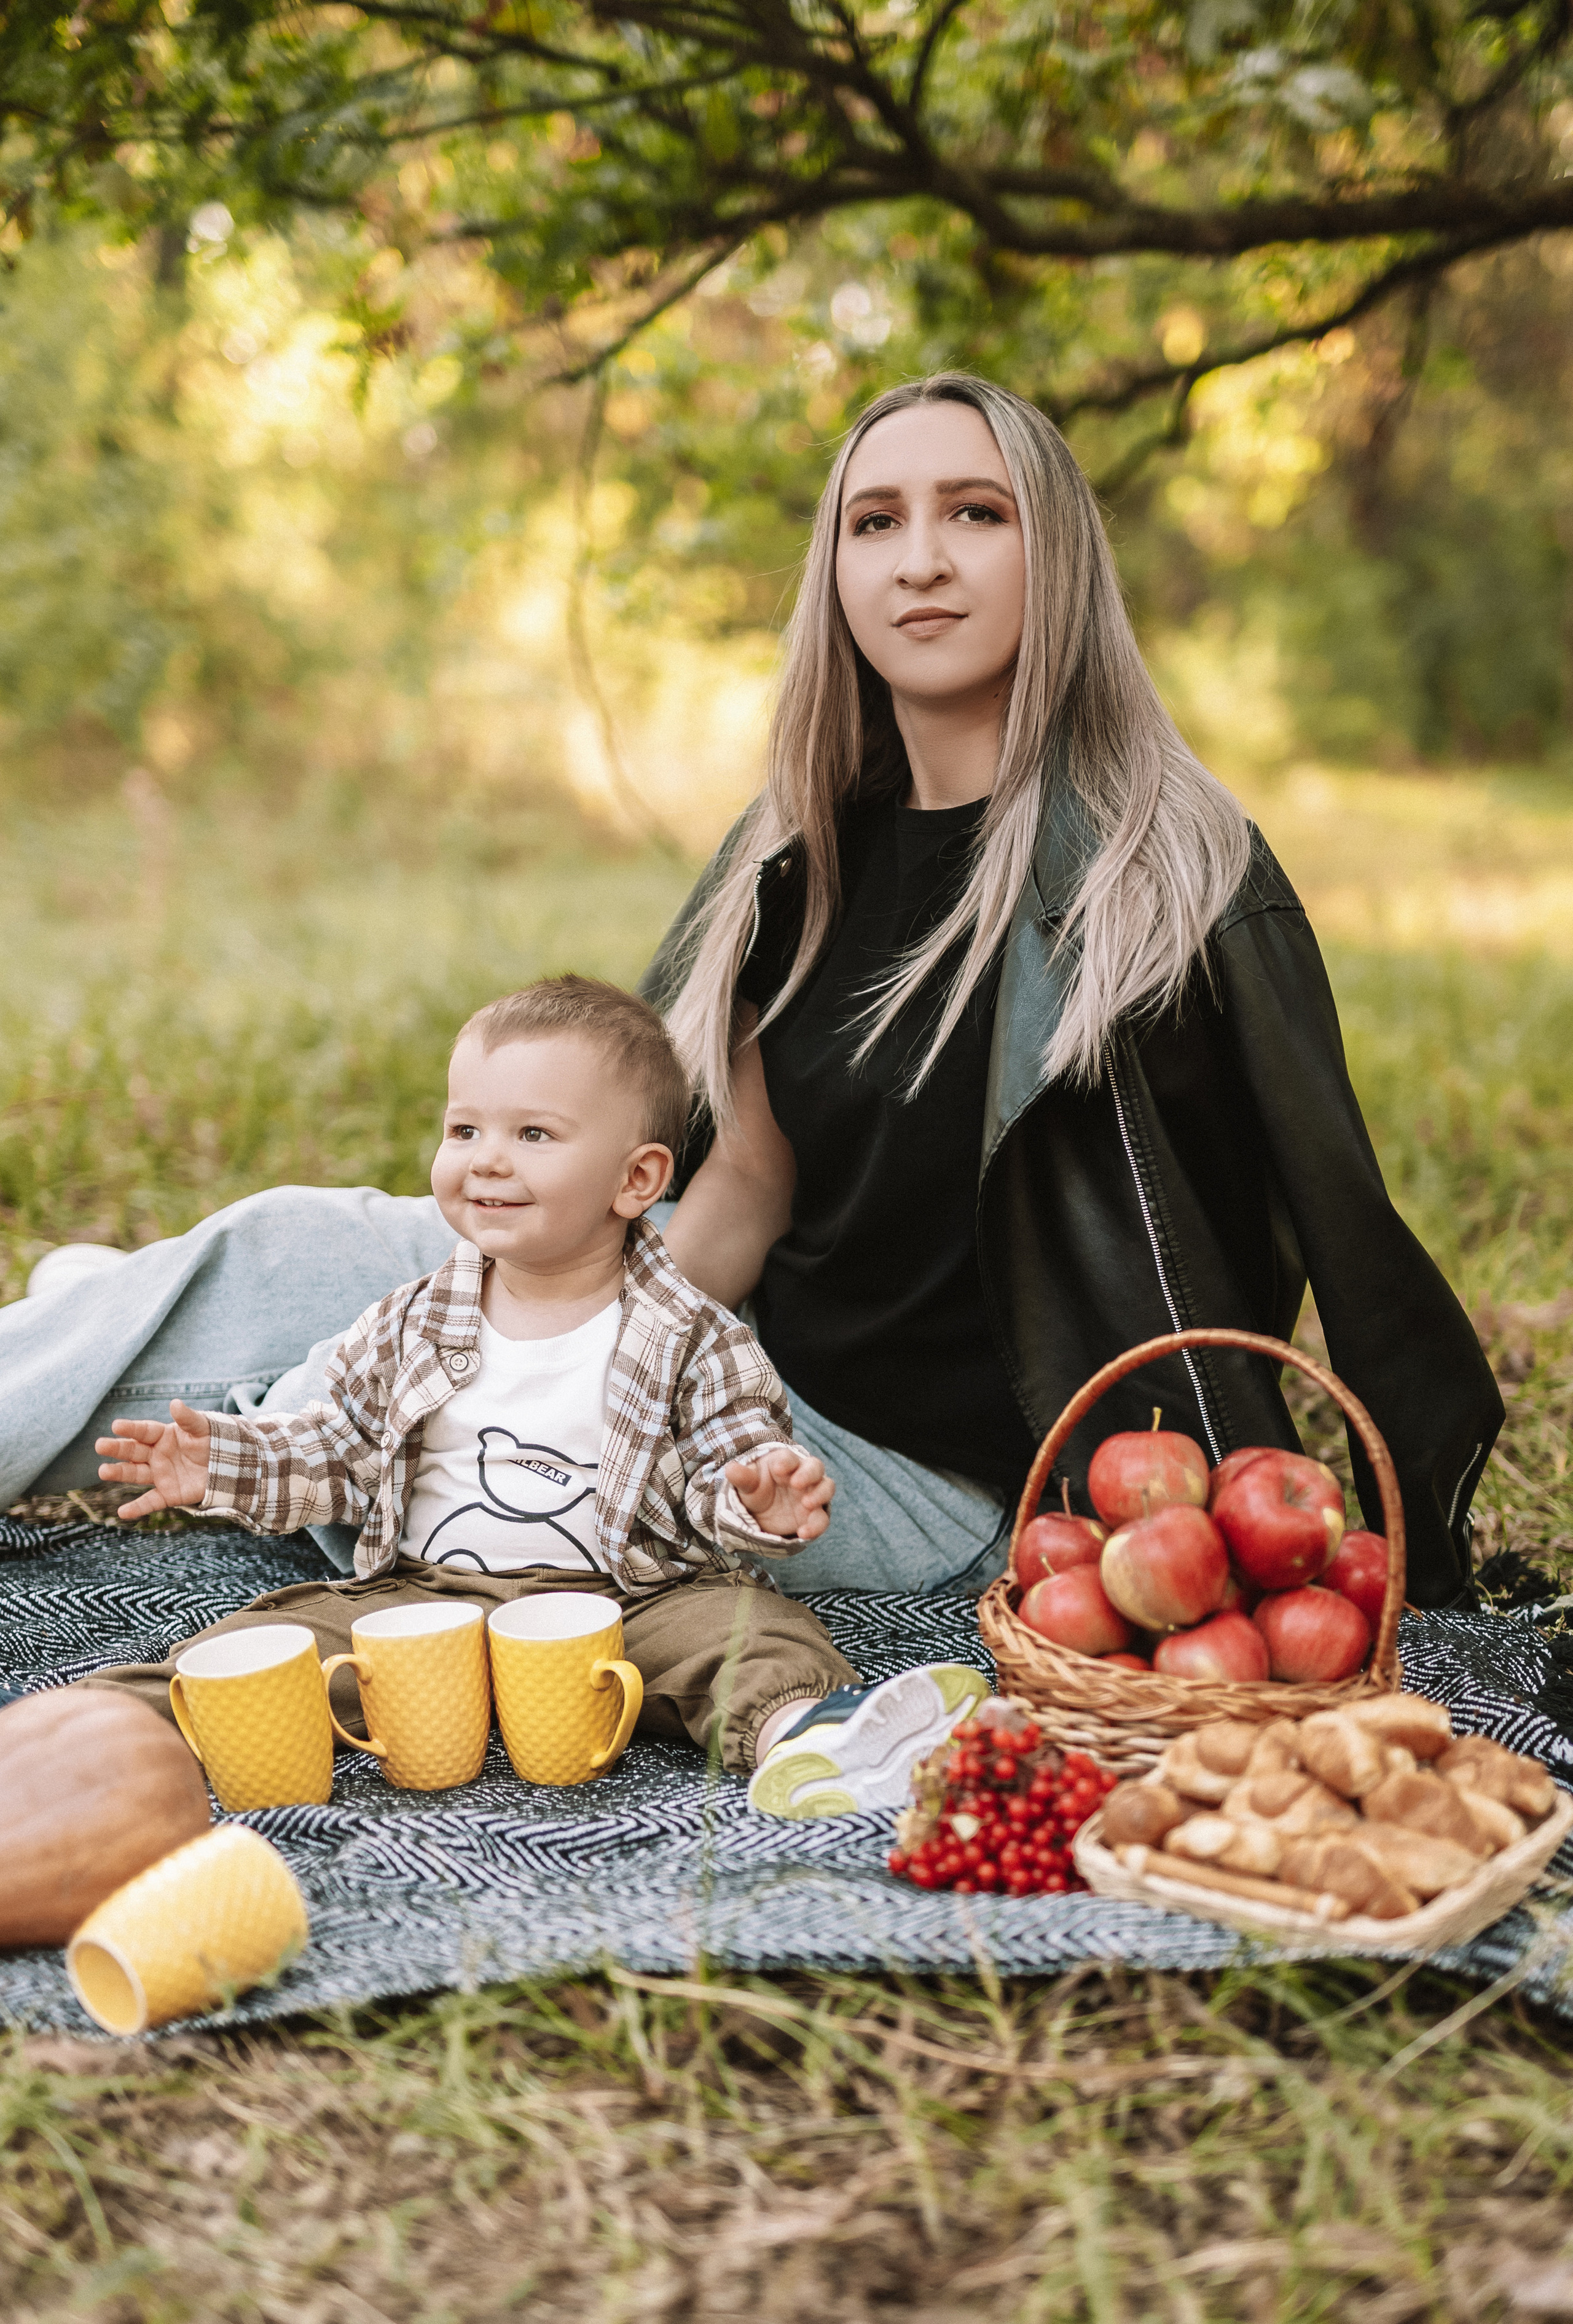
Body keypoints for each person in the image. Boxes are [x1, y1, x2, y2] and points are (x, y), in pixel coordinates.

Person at [1, 370, 1499, 1616]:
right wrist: (554, 1329)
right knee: (299, 1254)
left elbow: (1344, 1230)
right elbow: (741, 1202)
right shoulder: (799, 858)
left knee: (493, 1465)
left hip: (927, 1492)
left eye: (976, 515)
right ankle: (125, 1345)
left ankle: (163, 1354)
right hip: (730, 1364)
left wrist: (1412, 1559)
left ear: (1057, 557)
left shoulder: (1168, 872)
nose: (920, 558)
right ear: (834, 572)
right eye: (876, 521)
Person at [17, 978, 990, 1818]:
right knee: (265, 1644)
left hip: (628, 1601)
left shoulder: (694, 1337)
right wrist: (220, 1461)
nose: (486, 1158)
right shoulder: (408, 1322)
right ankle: (74, 1736)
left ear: (636, 1180)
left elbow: (727, 1466)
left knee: (746, 1632)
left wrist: (757, 1497)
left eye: (532, 1134)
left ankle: (811, 1738)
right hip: (425, 1600)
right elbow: (335, 1450)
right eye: (464, 1128)